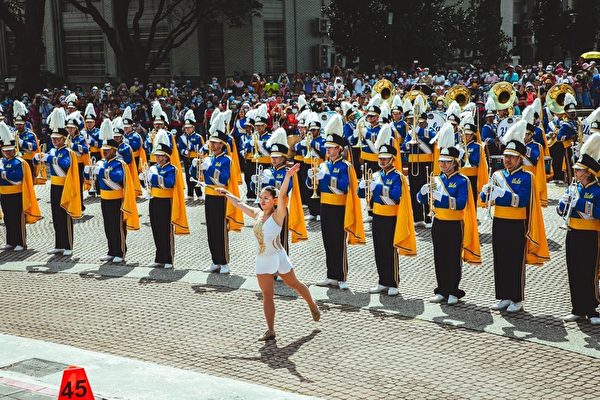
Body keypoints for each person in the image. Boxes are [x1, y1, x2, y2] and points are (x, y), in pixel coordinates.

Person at [216, 163, 320, 341]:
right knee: (267, 296)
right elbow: (240, 203)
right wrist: (226, 193)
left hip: (278, 257)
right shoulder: (256, 213)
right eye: (261, 197)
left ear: (274, 200)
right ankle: (271, 330)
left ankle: (312, 305)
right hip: (263, 259)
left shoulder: (279, 214)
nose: (262, 200)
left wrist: (288, 176)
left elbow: (283, 194)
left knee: (294, 284)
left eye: (266, 198)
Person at [481, 120, 549, 313]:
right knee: (500, 258)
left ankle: (516, 297)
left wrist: (505, 195)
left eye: (512, 157)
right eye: (505, 156)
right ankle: (503, 295)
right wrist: (485, 192)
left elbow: (523, 199)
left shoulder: (528, 176)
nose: (507, 160)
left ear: (520, 158)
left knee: (514, 259)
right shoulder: (497, 175)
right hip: (499, 221)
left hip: (517, 223)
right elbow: (485, 200)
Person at [418, 122, 481, 304]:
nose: (443, 165)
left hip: (454, 223)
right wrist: (422, 194)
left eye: (446, 162)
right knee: (439, 256)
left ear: (454, 163)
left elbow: (461, 204)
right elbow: (426, 201)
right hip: (439, 222)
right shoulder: (436, 179)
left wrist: (440, 197)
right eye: (441, 162)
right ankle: (441, 290)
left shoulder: (462, 180)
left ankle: (454, 290)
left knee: (453, 257)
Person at [309, 114, 365, 290]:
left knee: (338, 241)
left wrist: (327, 177)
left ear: (340, 149)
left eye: (332, 148)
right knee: (327, 241)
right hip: (325, 205)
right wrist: (311, 179)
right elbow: (315, 187)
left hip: (340, 207)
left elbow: (343, 186)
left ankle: (341, 276)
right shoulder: (324, 164)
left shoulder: (345, 166)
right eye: (327, 147)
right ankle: (330, 274)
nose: (328, 150)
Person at [367, 124, 416, 296]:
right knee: (378, 249)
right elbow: (362, 194)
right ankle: (382, 281)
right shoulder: (374, 175)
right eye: (380, 159)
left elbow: (395, 195)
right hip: (378, 216)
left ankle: (393, 281)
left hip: (391, 217)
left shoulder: (398, 177)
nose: (382, 161)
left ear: (393, 159)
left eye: (386, 159)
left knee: (390, 250)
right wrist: (363, 186)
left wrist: (377, 188)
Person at [192, 112, 243, 274]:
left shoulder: (226, 159)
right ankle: (215, 261)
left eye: (215, 143)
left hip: (221, 198)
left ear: (221, 144)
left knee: (221, 230)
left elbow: (223, 179)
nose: (212, 146)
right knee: (211, 230)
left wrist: (210, 168)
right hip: (209, 197)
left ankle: (224, 262)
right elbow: (199, 177)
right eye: (211, 143)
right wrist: (195, 166)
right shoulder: (210, 158)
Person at [557, 133, 600, 325]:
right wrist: (563, 204)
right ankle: (577, 308)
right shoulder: (574, 188)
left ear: (588, 172)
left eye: (579, 170)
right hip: (573, 233)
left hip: (590, 235)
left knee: (588, 271)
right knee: (573, 270)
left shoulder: (597, 190)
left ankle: (591, 309)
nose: (575, 172)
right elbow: (561, 211)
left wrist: (581, 203)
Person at [85, 119, 139, 263]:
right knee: (108, 226)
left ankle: (120, 252)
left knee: (118, 226)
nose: (104, 152)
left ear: (114, 150)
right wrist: (87, 172)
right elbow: (93, 179)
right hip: (105, 198)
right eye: (103, 150)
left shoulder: (119, 163)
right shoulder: (101, 162)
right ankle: (111, 250)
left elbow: (118, 178)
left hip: (117, 198)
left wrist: (102, 171)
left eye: (107, 150)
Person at [34, 107, 82, 256]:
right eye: (53, 139)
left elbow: (65, 164)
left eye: (57, 139)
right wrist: (38, 157)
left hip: (65, 187)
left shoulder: (67, 152)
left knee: (65, 215)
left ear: (64, 139)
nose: (54, 141)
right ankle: (59, 244)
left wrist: (49, 158)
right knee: (56, 216)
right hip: (54, 185)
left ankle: (68, 245)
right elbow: (47, 158)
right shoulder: (54, 151)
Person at [140, 129, 189, 268]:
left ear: (166, 156)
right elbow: (150, 184)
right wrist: (144, 180)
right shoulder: (153, 167)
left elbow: (169, 183)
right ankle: (159, 257)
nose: (157, 157)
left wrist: (153, 178)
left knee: (166, 230)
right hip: (154, 200)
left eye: (160, 155)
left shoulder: (171, 168)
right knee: (156, 229)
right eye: (156, 154)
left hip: (166, 202)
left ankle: (168, 258)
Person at [0, 121, 42, 251]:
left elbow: (16, 177)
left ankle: (20, 242)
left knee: (17, 218)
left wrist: (3, 174)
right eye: (5, 151)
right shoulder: (1, 161)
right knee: (7, 218)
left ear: (14, 149)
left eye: (10, 150)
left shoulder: (19, 162)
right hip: (4, 194)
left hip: (16, 194)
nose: (7, 153)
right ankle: (10, 241)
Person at [178, 109, 204, 199]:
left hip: (195, 158)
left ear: (193, 127)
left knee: (196, 175)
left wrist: (195, 149)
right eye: (186, 127)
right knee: (188, 175)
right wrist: (184, 152)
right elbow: (180, 148)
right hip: (186, 158)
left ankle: (199, 193)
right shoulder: (182, 137)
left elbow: (202, 148)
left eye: (189, 127)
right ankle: (190, 193)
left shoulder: (198, 137)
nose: (187, 129)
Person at [12, 100, 38, 179]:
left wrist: (21, 142)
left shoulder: (30, 134)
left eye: (20, 124)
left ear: (24, 124)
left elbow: (34, 147)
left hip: (28, 161)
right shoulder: (13, 134)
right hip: (16, 162)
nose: (18, 126)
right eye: (17, 124)